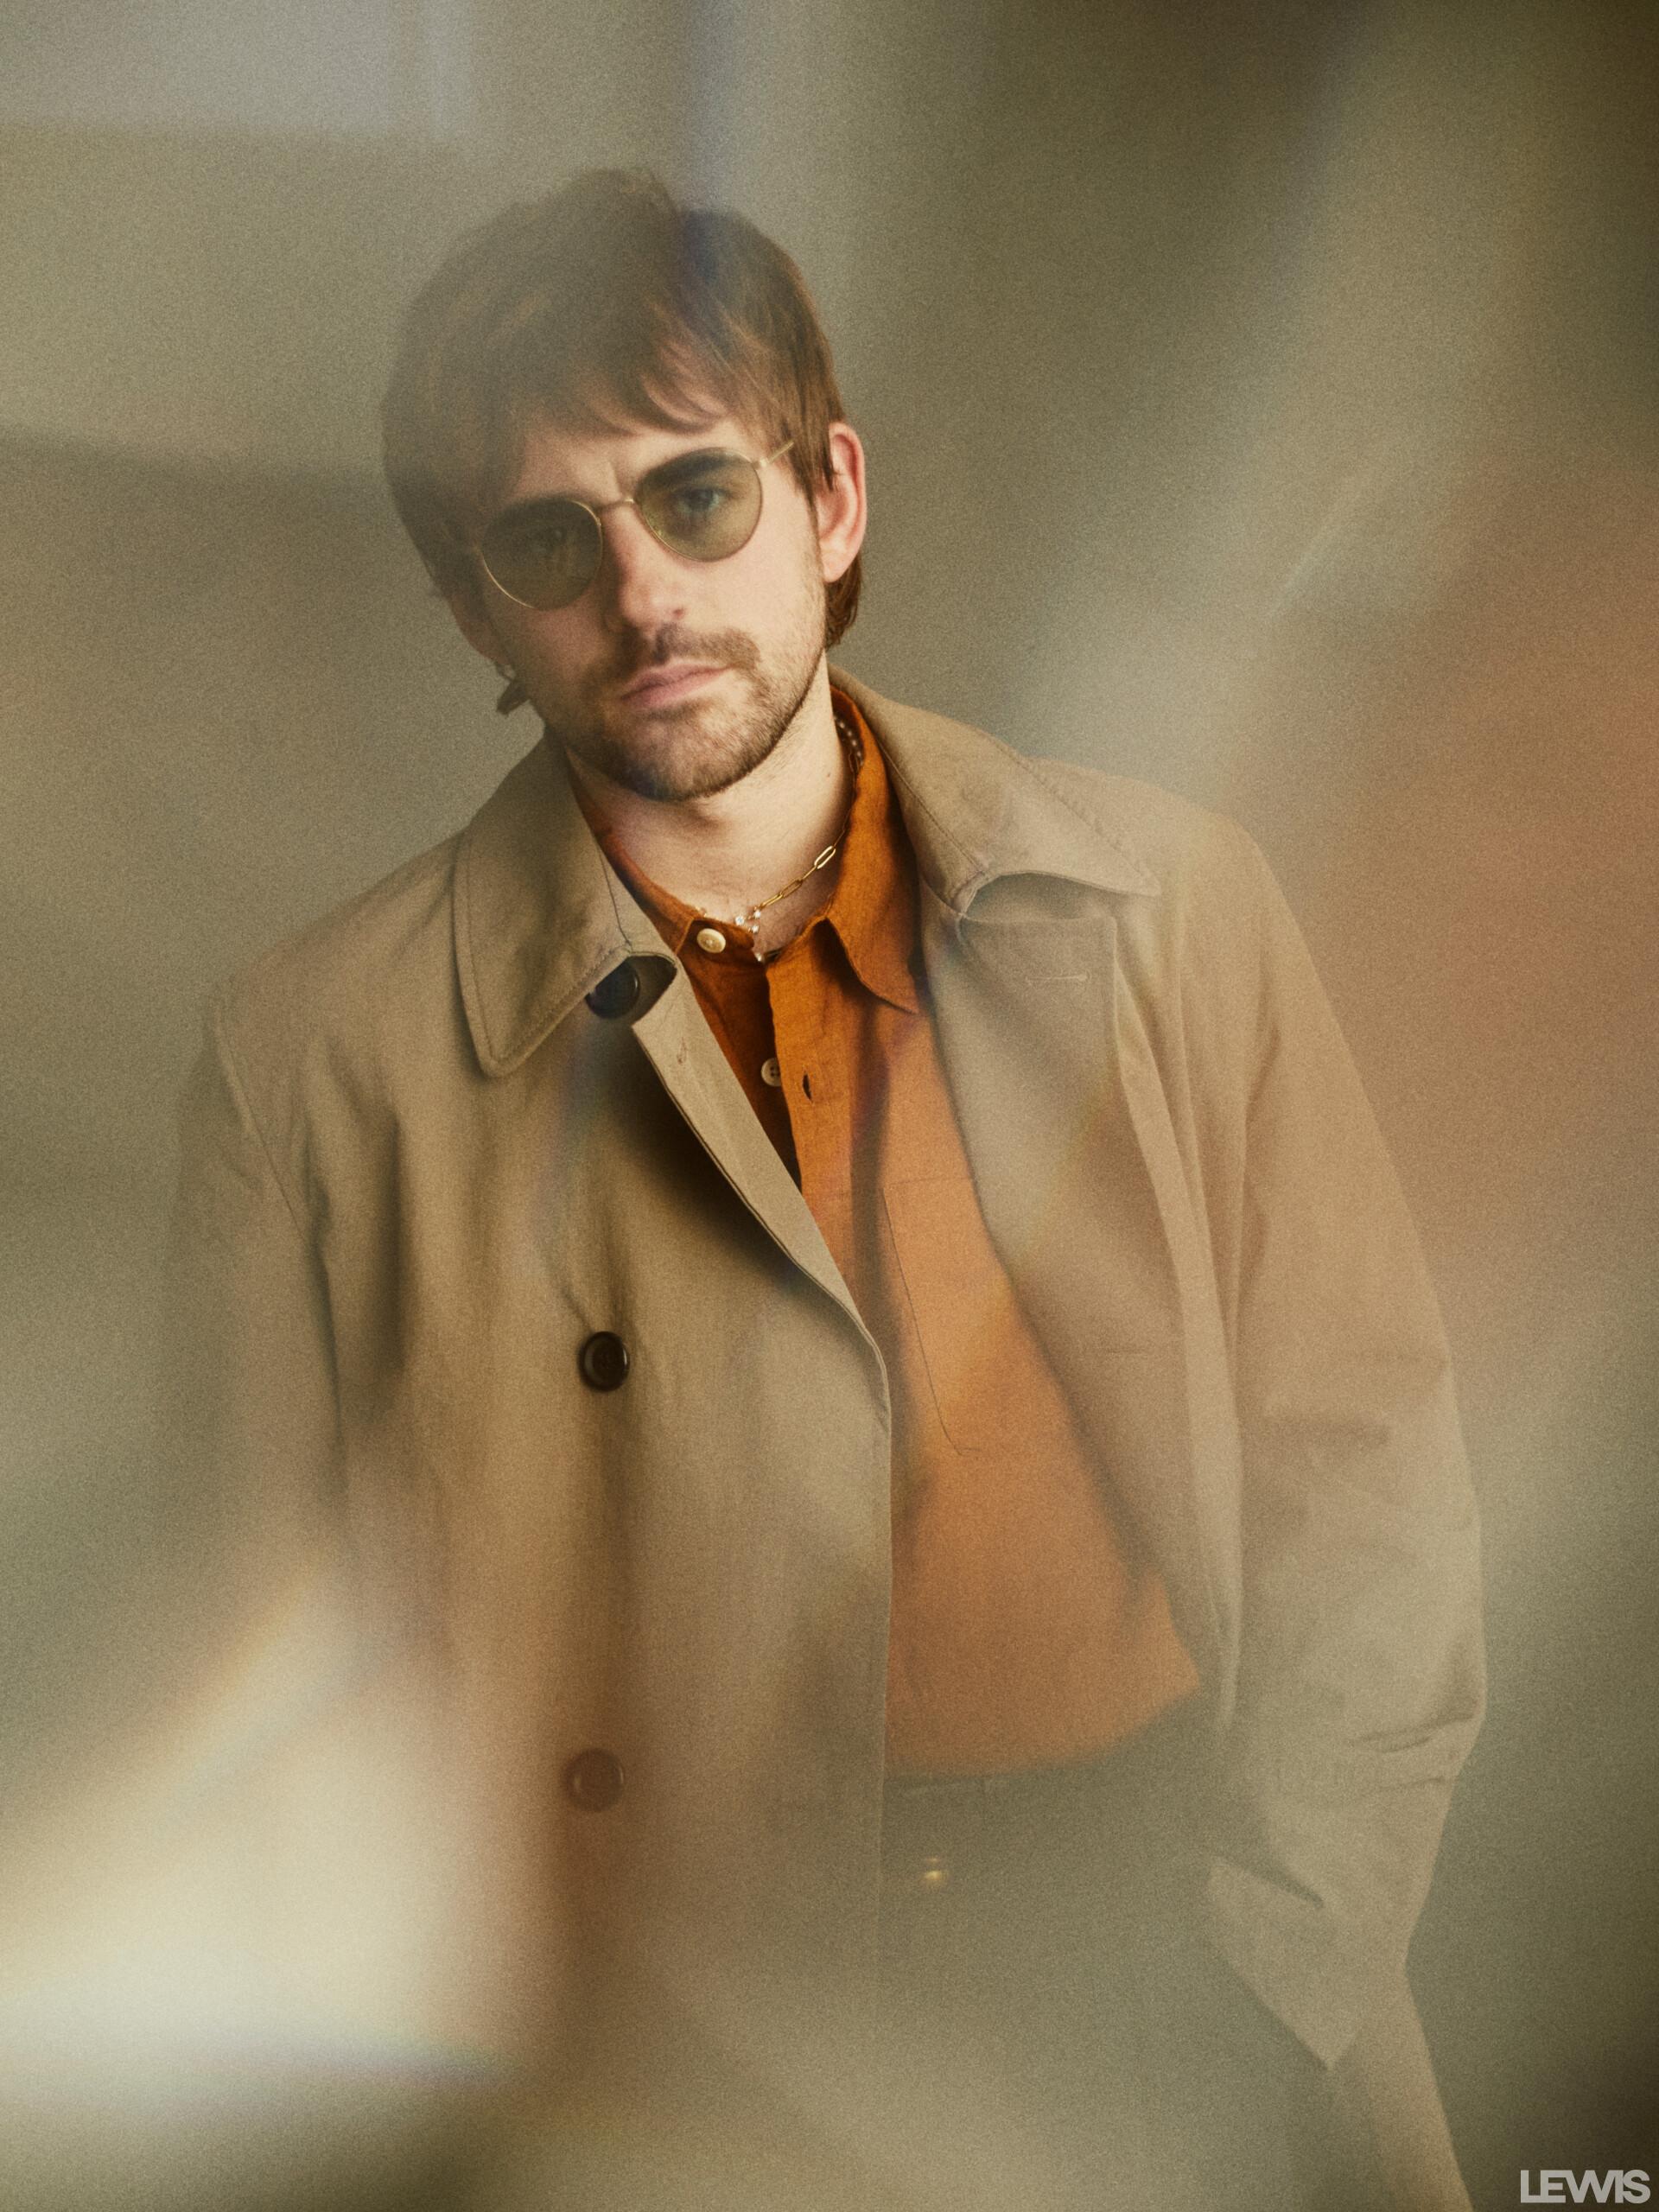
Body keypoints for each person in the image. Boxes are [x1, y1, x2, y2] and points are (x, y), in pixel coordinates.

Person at [167, 168, 1484, 2210]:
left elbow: (1369, 1471)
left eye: (696, 495)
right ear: (476, 610)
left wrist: (1276, 1963)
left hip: (1150, 1978)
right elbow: (267, 1691)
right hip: (672, 2051)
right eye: (550, 539)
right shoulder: (307, 1062)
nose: (644, 595)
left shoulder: (1176, 911)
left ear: (830, 502)